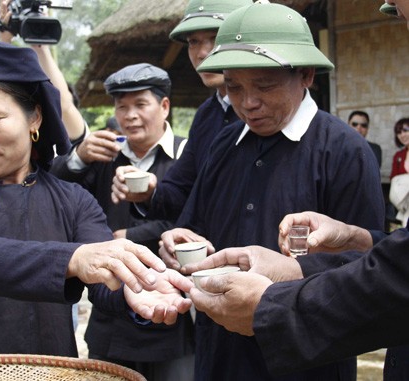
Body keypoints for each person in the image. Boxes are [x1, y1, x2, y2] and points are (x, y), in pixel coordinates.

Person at [0, 40, 194, 359]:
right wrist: (74, 260)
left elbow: (104, 281)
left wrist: (135, 285)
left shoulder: (73, 200)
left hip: (50, 368)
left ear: (35, 119)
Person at [174, 4, 409, 379]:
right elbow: (195, 224)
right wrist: (181, 239)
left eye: (264, 86)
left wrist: (289, 278)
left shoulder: (346, 152)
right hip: (219, 353)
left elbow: (370, 277)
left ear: (306, 76)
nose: (248, 102)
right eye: (234, 86)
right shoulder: (222, 144)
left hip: (306, 363)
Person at [51, 63, 194, 381]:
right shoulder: (103, 155)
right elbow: (55, 193)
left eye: (140, 104)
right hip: (111, 312)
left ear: (164, 106)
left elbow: (196, 222)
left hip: (172, 308)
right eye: (122, 106)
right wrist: (78, 157)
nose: (130, 115)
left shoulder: (188, 155)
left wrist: (129, 235)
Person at [110, 0, 247, 226]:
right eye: (194, 42)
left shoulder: (268, 113)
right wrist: (150, 191)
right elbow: (183, 192)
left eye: (215, 38)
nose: (203, 53)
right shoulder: (206, 115)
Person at [0, 0, 87, 143]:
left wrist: (42, 47)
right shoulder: (21, 137)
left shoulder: (74, 132)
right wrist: (4, 38)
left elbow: (63, 106)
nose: (50, 102)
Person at [389, 117, 409, 226]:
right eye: (399, 132)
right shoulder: (398, 156)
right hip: (404, 203)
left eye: (405, 130)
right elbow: (394, 179)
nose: (402, 135)